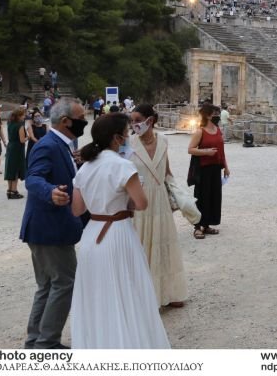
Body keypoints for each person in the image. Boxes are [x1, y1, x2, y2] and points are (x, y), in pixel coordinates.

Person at [70, 113, 170, 349]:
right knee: (127, 291)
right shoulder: (123, 166)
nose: (129, 136)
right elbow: (141, 203)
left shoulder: (85, 168)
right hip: (118, 233)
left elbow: (77, 210)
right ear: (117, 138)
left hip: (91, 235)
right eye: (126, 133)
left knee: (97, 295)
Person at [21, 98, 87, 349]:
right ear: (65, 121)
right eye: (81, 117)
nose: (85, 120)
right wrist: (50, 192)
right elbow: (33, 178)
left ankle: (36, 340)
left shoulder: (63, 145)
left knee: (47, 285)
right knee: (64, 283)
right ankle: (47, 343)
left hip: (44, 228)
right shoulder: (48, 146)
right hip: (50, 228)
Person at [128, 104, 195, 308]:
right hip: (139, 199)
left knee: (165, 245)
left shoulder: (164, 140)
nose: (134, 124)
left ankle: (170, 292)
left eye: (137, 119)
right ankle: (144, 297)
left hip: (160, 200)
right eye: (132, 120)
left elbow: (167, 171)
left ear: (151, 120)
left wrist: (180, 197)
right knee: (142, 246)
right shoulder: (128, 143)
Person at [188, 104, 230, 238]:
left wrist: (226, 167)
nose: (217, 115)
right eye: (215, 113)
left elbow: (222, 151)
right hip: (203, 169)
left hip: (216, 168)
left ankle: (207, 225)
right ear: (207, 115)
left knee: (214, 197)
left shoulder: (218, 130)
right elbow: (190, 149)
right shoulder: (200, 131)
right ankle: (198, 227)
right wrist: (206, 152)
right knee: (202, 197)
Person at [4, 107, 28, 199]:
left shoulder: (9, 123)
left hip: (10, 147)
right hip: (17, 148)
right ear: (19, 116)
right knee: (16, 169)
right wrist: (28, 137)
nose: (24, 116)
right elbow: (22, 140)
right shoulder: (20, 126)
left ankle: (9, 190)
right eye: (23, 115)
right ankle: (14, 191)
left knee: (10, 168)